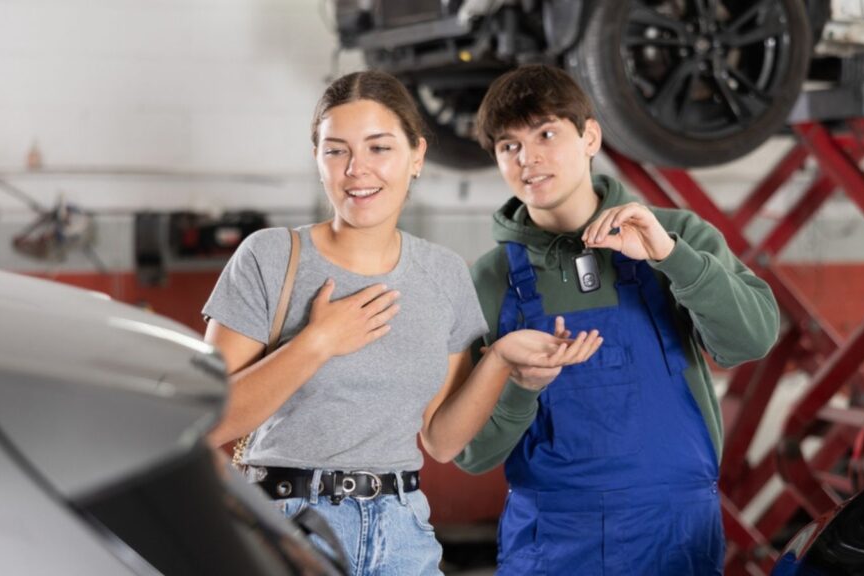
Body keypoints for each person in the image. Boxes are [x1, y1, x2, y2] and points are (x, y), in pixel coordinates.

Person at [201, 70, 602, 575]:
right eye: (336, 150)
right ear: (317, 160)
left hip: (402, 532)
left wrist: (499, 360)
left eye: (378, 148)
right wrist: (318, 342)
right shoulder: (271, 257)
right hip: (291, 525)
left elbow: (442, 440)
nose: (356, 170)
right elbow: (207, 416)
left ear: (416, 156)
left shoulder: (444, 273)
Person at [453, 64, 780, 574]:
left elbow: (751, 341)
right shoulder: (490, 280)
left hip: (677, 536)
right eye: (508, 145)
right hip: (554, 543)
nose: (529, 159)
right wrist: (523, 386)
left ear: (589, 137)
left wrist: (671, 257)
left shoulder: (676, 234)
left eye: (546, 134)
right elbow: (470, 452)